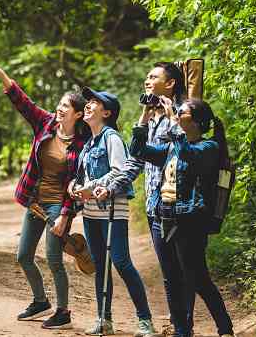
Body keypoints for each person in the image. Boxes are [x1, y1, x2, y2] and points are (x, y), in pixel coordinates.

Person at [0, 54, 90, 330]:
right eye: (60, 104)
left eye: (66, 106)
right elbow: (23, 103)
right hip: (35, 202)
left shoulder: (81, 144)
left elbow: (76, 182)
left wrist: (65, 217)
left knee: (54, 259)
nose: (60, 108)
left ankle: (63, 312)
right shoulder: (46, 124)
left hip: (57, 207)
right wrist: (2, 74)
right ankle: (40, 301)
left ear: (78, 114)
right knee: (23, 256)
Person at [93, 62, 196, 336]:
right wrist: (112, 186)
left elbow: (187, 148)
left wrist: (173, 116)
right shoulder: (150, 118)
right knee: (169, 273)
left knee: (187, 271)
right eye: (147, 76)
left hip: (179, 205)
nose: (147, 80)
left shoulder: (185, 113)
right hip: (154, 206)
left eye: (153, 76)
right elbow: (135, 162)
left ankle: (186, 329)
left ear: (171, 83)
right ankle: (179, 327)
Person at [129, 97, 235, 337]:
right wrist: (145, 116)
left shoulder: (208, 148)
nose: (176, 113)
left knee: (197, 277)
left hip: (190, 220)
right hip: (162, 217)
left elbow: (188, 155)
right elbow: (137, 150)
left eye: (182, 111)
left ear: (196, 121)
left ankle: (225, 327)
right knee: (171, 278)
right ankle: (181, 330)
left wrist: (172, 122)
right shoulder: (170, 147)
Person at [68, 87, 157, 336]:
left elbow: (119, 170)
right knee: (100, 264)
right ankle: (104, 319)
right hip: (91, 212)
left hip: (112, 210)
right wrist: (75, 186)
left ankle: (145, 320)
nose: (88, 104)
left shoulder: (111, 137)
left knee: (121, 262)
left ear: (106, 112)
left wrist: (91, 187)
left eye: (94, 102)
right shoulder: (89, 143)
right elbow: (83, 175)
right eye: (88, 101)